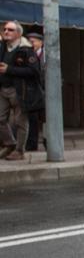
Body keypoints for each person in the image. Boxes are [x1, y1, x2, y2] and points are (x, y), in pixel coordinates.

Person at [0, 21, 40, 161]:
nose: (6, 32)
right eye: (4, 29)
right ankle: (10, 143)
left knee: (20, 122)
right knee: (1, 119)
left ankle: (19, 150)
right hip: (3, 89)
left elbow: (34, 71)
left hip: (20, 91)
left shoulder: (26, 50)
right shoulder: (3, 47)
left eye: (10, 30)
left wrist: (9, 69)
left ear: (18, 33)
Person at [24, 31, 43, 153]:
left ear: (41, 42)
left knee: (46, 119)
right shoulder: (27, 55)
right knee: (32, 118)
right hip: (32, 92)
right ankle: (32, 144)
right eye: (28, 42)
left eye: (33, 42)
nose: (31, 45)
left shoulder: (47, 54)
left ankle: (49, 142)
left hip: (45, 91)